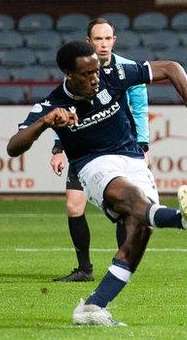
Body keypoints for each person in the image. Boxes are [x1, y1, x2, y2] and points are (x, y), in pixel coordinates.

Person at [7, 41, 187, 326]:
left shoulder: (114, 75)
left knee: (141, 229)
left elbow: (171, 68)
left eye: (96, 71)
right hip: (94, 165)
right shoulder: (53, 105)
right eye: (87, 74)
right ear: (68, 74)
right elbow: (13, 147)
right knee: (134, 200)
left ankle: (93, 306)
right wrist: (45, 123)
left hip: (133, 159)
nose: (95, 78)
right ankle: (182, 220)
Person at [50, 18, 150, 283]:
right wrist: (58, 148)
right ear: (89, 42)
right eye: (98, 39)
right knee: (73, 206)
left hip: (121, 150)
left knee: (125, 209)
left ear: (114, 40)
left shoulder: (128, 69)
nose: (103, 44)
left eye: (108, 39)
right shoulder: (79, 69)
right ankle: (84, 269)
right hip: (84, 150)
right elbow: (65, 112)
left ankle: (123, 265)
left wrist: (143, 145)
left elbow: (139, 110)